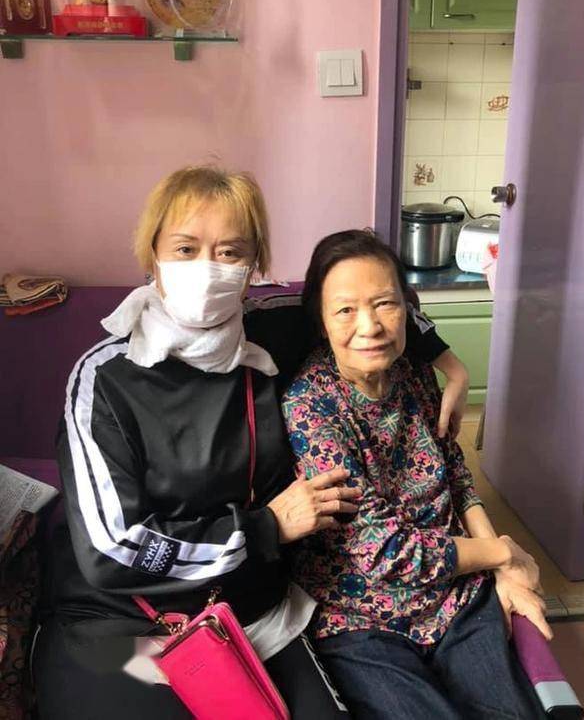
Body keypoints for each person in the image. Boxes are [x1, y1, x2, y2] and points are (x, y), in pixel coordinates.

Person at [33, 166, 461, 719]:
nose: (207, 268)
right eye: (185, 249)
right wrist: (267, 527)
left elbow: (378, 305)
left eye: (230, 252)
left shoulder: (272, 330)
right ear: (152, 256)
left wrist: (451, 366)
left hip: (253, 612)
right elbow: (112, 551)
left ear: (254, 265)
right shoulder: (104, 379)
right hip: (122, 623)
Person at [282, 229, 551, 720]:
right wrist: (503, 553)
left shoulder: (414, 373)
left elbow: (456, 476)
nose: (370, 326)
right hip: (359, 615)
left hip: (454, 595)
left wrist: (502, 572)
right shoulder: (309, 406)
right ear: (321, 322)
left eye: (385, 304)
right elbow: (387, 551)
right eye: (345, 310)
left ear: (406, 309)